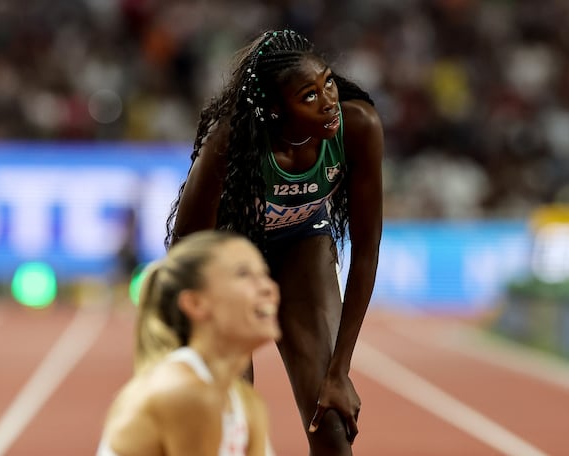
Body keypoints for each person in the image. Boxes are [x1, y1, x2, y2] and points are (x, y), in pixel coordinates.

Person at [164, 29, 383, 455]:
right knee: (230, 429)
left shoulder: (358, 127)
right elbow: (185, 252)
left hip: (303, 244)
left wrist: (340, 370)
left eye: (328, 82)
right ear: (274, 112)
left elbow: (367, 250)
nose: (328, 101)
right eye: (308, 96)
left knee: (333, 426)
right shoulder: (229, 144)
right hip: (227, 260)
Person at [98, 230, 281, 456]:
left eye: (264, 274)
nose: (268, 288)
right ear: (195, 303)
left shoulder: (245, 402)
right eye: (243, 274)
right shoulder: (185, 394)